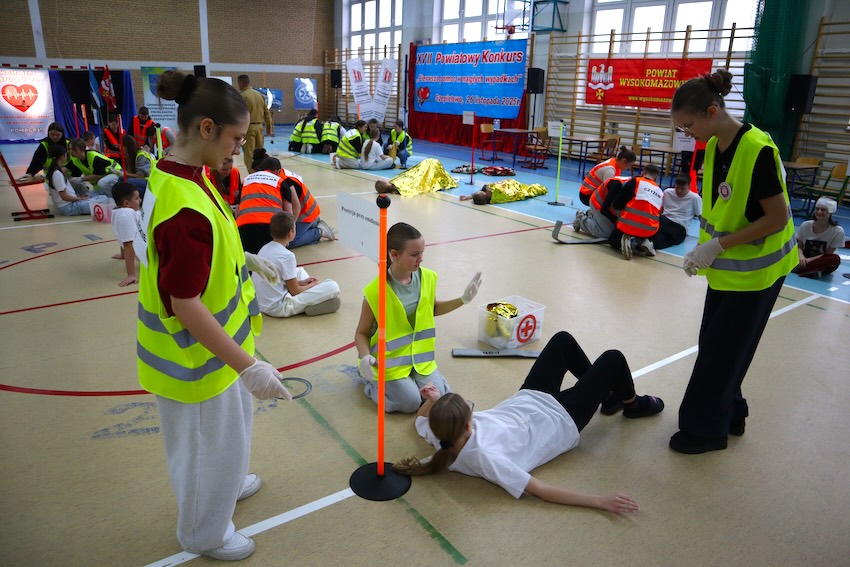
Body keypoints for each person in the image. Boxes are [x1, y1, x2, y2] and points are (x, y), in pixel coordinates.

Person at [137, 69, 290, 561]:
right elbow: (185, 303)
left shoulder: (183, 172)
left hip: (222, 348)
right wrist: (247, 366)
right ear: (206, 129)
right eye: (235, 139)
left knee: (229, 435)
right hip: (197, 359)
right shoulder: (185, 205)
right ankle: (205, 532)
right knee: (205, 448)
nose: (237, 150)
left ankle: (226, 480)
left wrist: (242, 258)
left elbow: (192, 255)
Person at [669, 69, 798, 454]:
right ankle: (733, 413)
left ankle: (704, 431)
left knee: (719, 354)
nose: (686, 133)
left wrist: (718, 247)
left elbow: (776, 219)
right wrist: (702, 248)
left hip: (759, 272)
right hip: (727, 272)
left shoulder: (757, 149)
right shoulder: (711, 147)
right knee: (718, 345)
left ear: (712, 112)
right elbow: (724, 207)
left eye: (688, 125)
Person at [393, 331, 664, 512]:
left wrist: (434, 400)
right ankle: (632, 404)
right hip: (561, 419)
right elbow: (540, 490)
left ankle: (606, 394)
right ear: (467, 425)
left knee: (562, 341)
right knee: (613, 359)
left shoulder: (442, 435)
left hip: (529, 398)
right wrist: (599, 501)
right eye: (470, 409)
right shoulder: (486, 457)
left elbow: (421, 419)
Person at [354, 222, 482, 413]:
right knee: (411, 403)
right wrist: (365, 358)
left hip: (420, 359)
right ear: (394, 255)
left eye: (422, 252)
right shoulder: (375, 291)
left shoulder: (428, 278)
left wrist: (462, 300)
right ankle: (371, 385)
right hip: (390, 363)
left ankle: (417, 382)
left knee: (438, 398)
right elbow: (361, 333)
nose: (420, 259)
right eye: (414, 255)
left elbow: (432, 309)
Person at [252, 212, 342, 317]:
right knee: (333, 286)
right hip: (278, 307)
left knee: (299, 271)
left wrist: (302, 282)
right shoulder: (287, 256)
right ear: (291, 233)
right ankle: (313, 300)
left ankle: (312, 299)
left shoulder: (265, 247)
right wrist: (312, 285)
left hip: (261, 303)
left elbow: (280, 279)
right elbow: (295, 291)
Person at [236, 152, 296, 254]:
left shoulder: (246, 180)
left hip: (243, 227)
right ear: (278, 171)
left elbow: (238, 209)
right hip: (271, 229)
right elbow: (288, 215)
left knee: (249, 262)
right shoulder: (280, 182)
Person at [606, 164, 663, 259]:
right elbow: (659, 212)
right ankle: (645, 241)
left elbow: (617, 204)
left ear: (643, 173)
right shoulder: (660, 192)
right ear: (656, 178)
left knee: (613, 241)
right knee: (647, 226)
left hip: (627, 224)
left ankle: (625, 238)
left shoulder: (635, 182)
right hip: (649, 229)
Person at [43, 145, 110, 216]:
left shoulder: (55, 171)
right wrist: (80, 198)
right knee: (105, 200)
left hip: (71, 202)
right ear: (63, 156)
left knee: (99, 193)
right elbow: (64, 197)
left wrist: (79, 197)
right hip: (69, 206)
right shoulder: (57, 174)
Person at [280, 164, 336, 249]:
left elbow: (296, 207)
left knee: (288, 241)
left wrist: (291, 227)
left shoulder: (285, 182)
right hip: (306, 212)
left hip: (306, 214)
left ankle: (319, 232)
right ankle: (314, 223)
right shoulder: (282, 174)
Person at [793, 197, 844, 278]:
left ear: (830, 212)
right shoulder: (805, 225)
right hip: (803, 256)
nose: (819, 212)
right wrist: (801, 256)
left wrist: (809, 260)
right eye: (817, 209)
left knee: (834, 259)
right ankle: (812, 270)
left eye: (823, 210)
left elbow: (828, 253)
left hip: (820, 259)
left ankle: (799, 268)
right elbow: (799, 246)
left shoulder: (838, 231)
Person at [651, 174, 702, 250]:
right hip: (664, 222)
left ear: (689, 187)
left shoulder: (695, 198)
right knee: (654, 239)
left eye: (683, 188)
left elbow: (700, 216)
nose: (679, 191)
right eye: (677, 187)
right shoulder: (667, 192)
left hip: (679, 228)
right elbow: (660, 210)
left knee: (657, 240)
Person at [237, 74, 274, 173]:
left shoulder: (242, 96)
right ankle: (262, 172)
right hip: (259, 128)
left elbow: (240, 114)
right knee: (260, 153)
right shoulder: (260, 95)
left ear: (241, 83)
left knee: (249, 154)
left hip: (248, 128)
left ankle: (252, 174)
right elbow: (267, 114)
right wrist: (269, 129)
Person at [110, 182, 142, 287]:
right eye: (137, 198)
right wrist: (131, 275)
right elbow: (128, 244)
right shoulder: (126, 215)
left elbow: (123, 236)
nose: (140, 200)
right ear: (126, 203)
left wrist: (123, 255)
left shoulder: (119, 211)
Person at [374, 158, 458, 196]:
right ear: (384, 184)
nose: (384, 179)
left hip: (417, 173)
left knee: (429, 164)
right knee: (431, 163)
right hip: (419, 173)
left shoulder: (393, 183)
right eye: (383, 180)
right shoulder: (396, 184)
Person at [459, 179, 547, 205]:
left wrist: (468, 196)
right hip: (511, 187)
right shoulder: (497, 195)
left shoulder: (487, 193)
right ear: (485, 194)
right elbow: (510, 193)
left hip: (507, 185)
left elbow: (482, 190)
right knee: (528, 189)